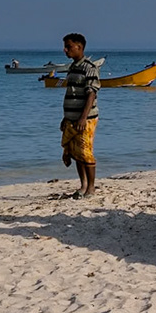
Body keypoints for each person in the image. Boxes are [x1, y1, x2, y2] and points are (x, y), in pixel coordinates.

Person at [60, 32, 99, 198]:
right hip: (71, 117)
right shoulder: (73, 67)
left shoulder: (89, 67)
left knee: (85, 152)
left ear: (79, 47)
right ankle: (82, 185)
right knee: (76, 152)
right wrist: (66, 117)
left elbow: (91, 93)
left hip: (86, 119)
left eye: (69, 46)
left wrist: (83, 117)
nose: (65, 50)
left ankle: (91, 188)